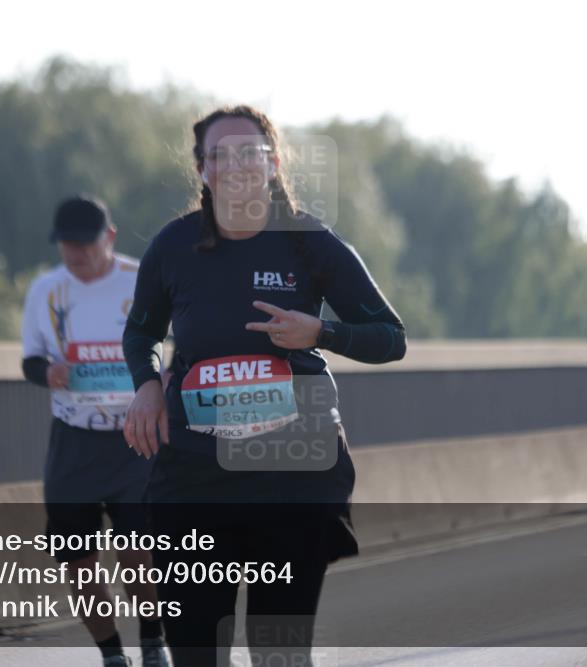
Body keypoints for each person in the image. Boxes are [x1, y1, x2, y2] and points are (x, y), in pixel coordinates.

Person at [122, 106, 407, 666]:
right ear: (202, 169)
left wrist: (319, 331)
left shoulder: (311, 244)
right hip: (195, 480)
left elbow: (390, 337)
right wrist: (147, 385)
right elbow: (140, 332)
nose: (235, 165)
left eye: (249, 152)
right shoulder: (174, 247)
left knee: (279, 654)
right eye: (219, 155)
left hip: (293, 475)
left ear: (273, 163)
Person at [21, 196, 171, 667]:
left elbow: (176, 347)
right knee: (76, 561)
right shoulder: (45, 289)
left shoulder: (141, 280)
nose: (76, 256)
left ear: (109, 238)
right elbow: (30, 360)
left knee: (138, 554)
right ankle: (111, 655)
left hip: (136, 435)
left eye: (85, 246)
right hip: (74, 438)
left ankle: (153, 642)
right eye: (68, 247)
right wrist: (48, 373)